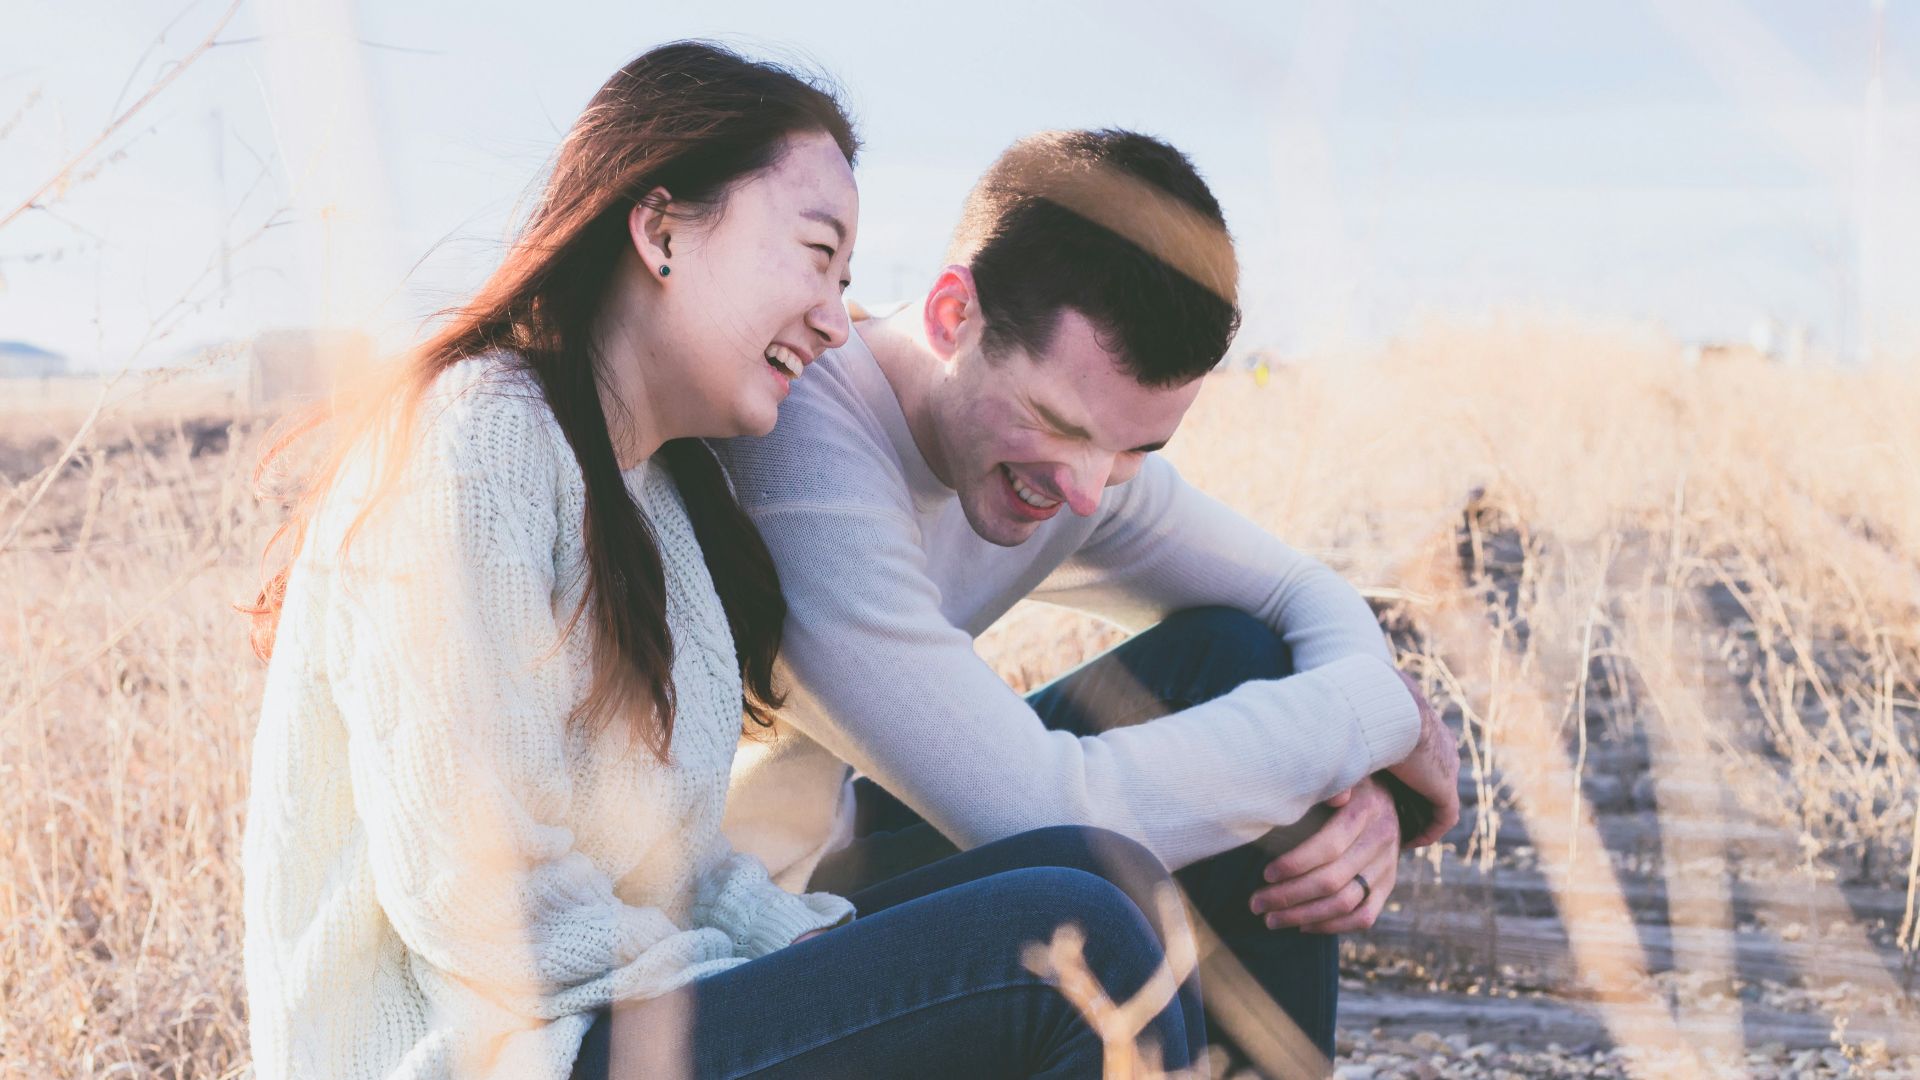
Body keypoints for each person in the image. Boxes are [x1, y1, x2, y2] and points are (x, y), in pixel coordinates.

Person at [241, 46, 1200, 1080]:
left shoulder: (655, 493)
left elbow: (672, 868)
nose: (837, 321)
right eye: (815, 254)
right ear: (660, 230)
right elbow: (476, 896)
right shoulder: (475, 441)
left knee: (1102, 872)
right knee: (1067, 940)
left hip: (614, 1018)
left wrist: (799, 947)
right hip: (495, 1052)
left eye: (845, 280)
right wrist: (741, 981)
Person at [713, 128, 1463, 1071]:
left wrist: (1355, 788)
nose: (1086, 488)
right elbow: (1038, 811)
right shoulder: (805, 446)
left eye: (1136, 450)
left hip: (835, 852)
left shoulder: (1082, 460)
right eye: (1060, 425)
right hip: (735, 937)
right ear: (953, 315)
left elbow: (1297, 591)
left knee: (1238, 658)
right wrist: (1375, 718)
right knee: (1106, 884)